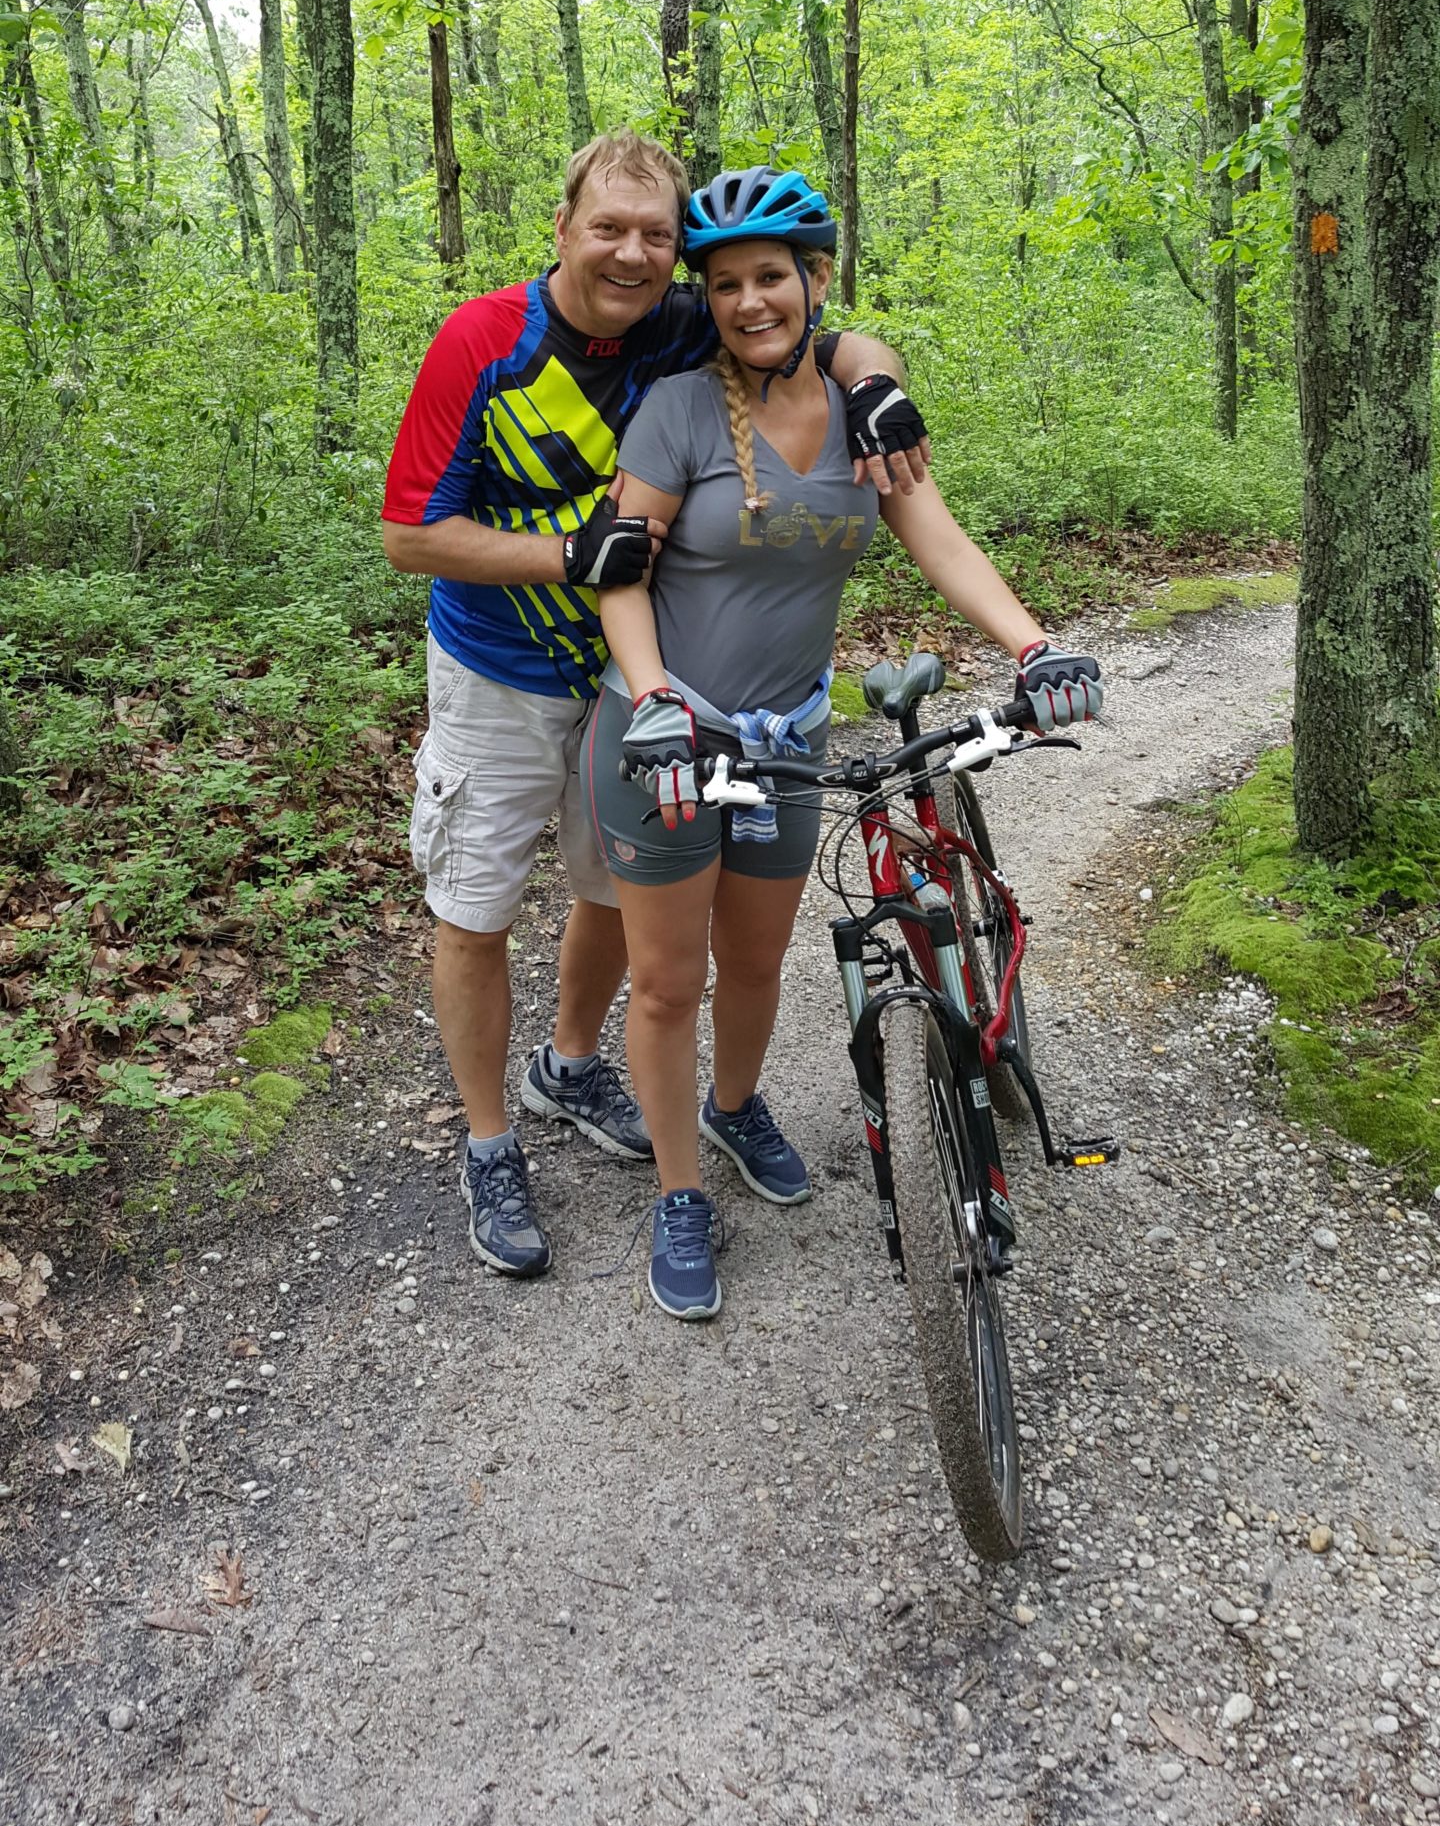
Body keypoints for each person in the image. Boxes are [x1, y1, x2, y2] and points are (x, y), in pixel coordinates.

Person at [380, 131, 933, 1280]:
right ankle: (492, 1142)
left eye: (656, 235)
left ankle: (573, 1060)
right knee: (477, 906)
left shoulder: (684, 323)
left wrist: (879, 380)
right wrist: (570, 552)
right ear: (564, 227)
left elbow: (817, 332)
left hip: (645, 681)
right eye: (608, 228)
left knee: (615, 898)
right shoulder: (483, 341)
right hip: (502, 671)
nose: (632, 253)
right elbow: (409, 534)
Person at [584, 165, 1103, 1321]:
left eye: (772, 276)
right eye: (725, 284)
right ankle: (679, 1193)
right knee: (668, 983)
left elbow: (939, 536)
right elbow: (621, 572)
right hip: (666, 741)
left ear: (815, 280)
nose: (749, 300)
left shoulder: (867, 409)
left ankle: (736, 1103)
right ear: (706, 298)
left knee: (760, 963)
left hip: (789, 742)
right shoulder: (675, 409)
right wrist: (656, 696)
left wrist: (1034, 647)